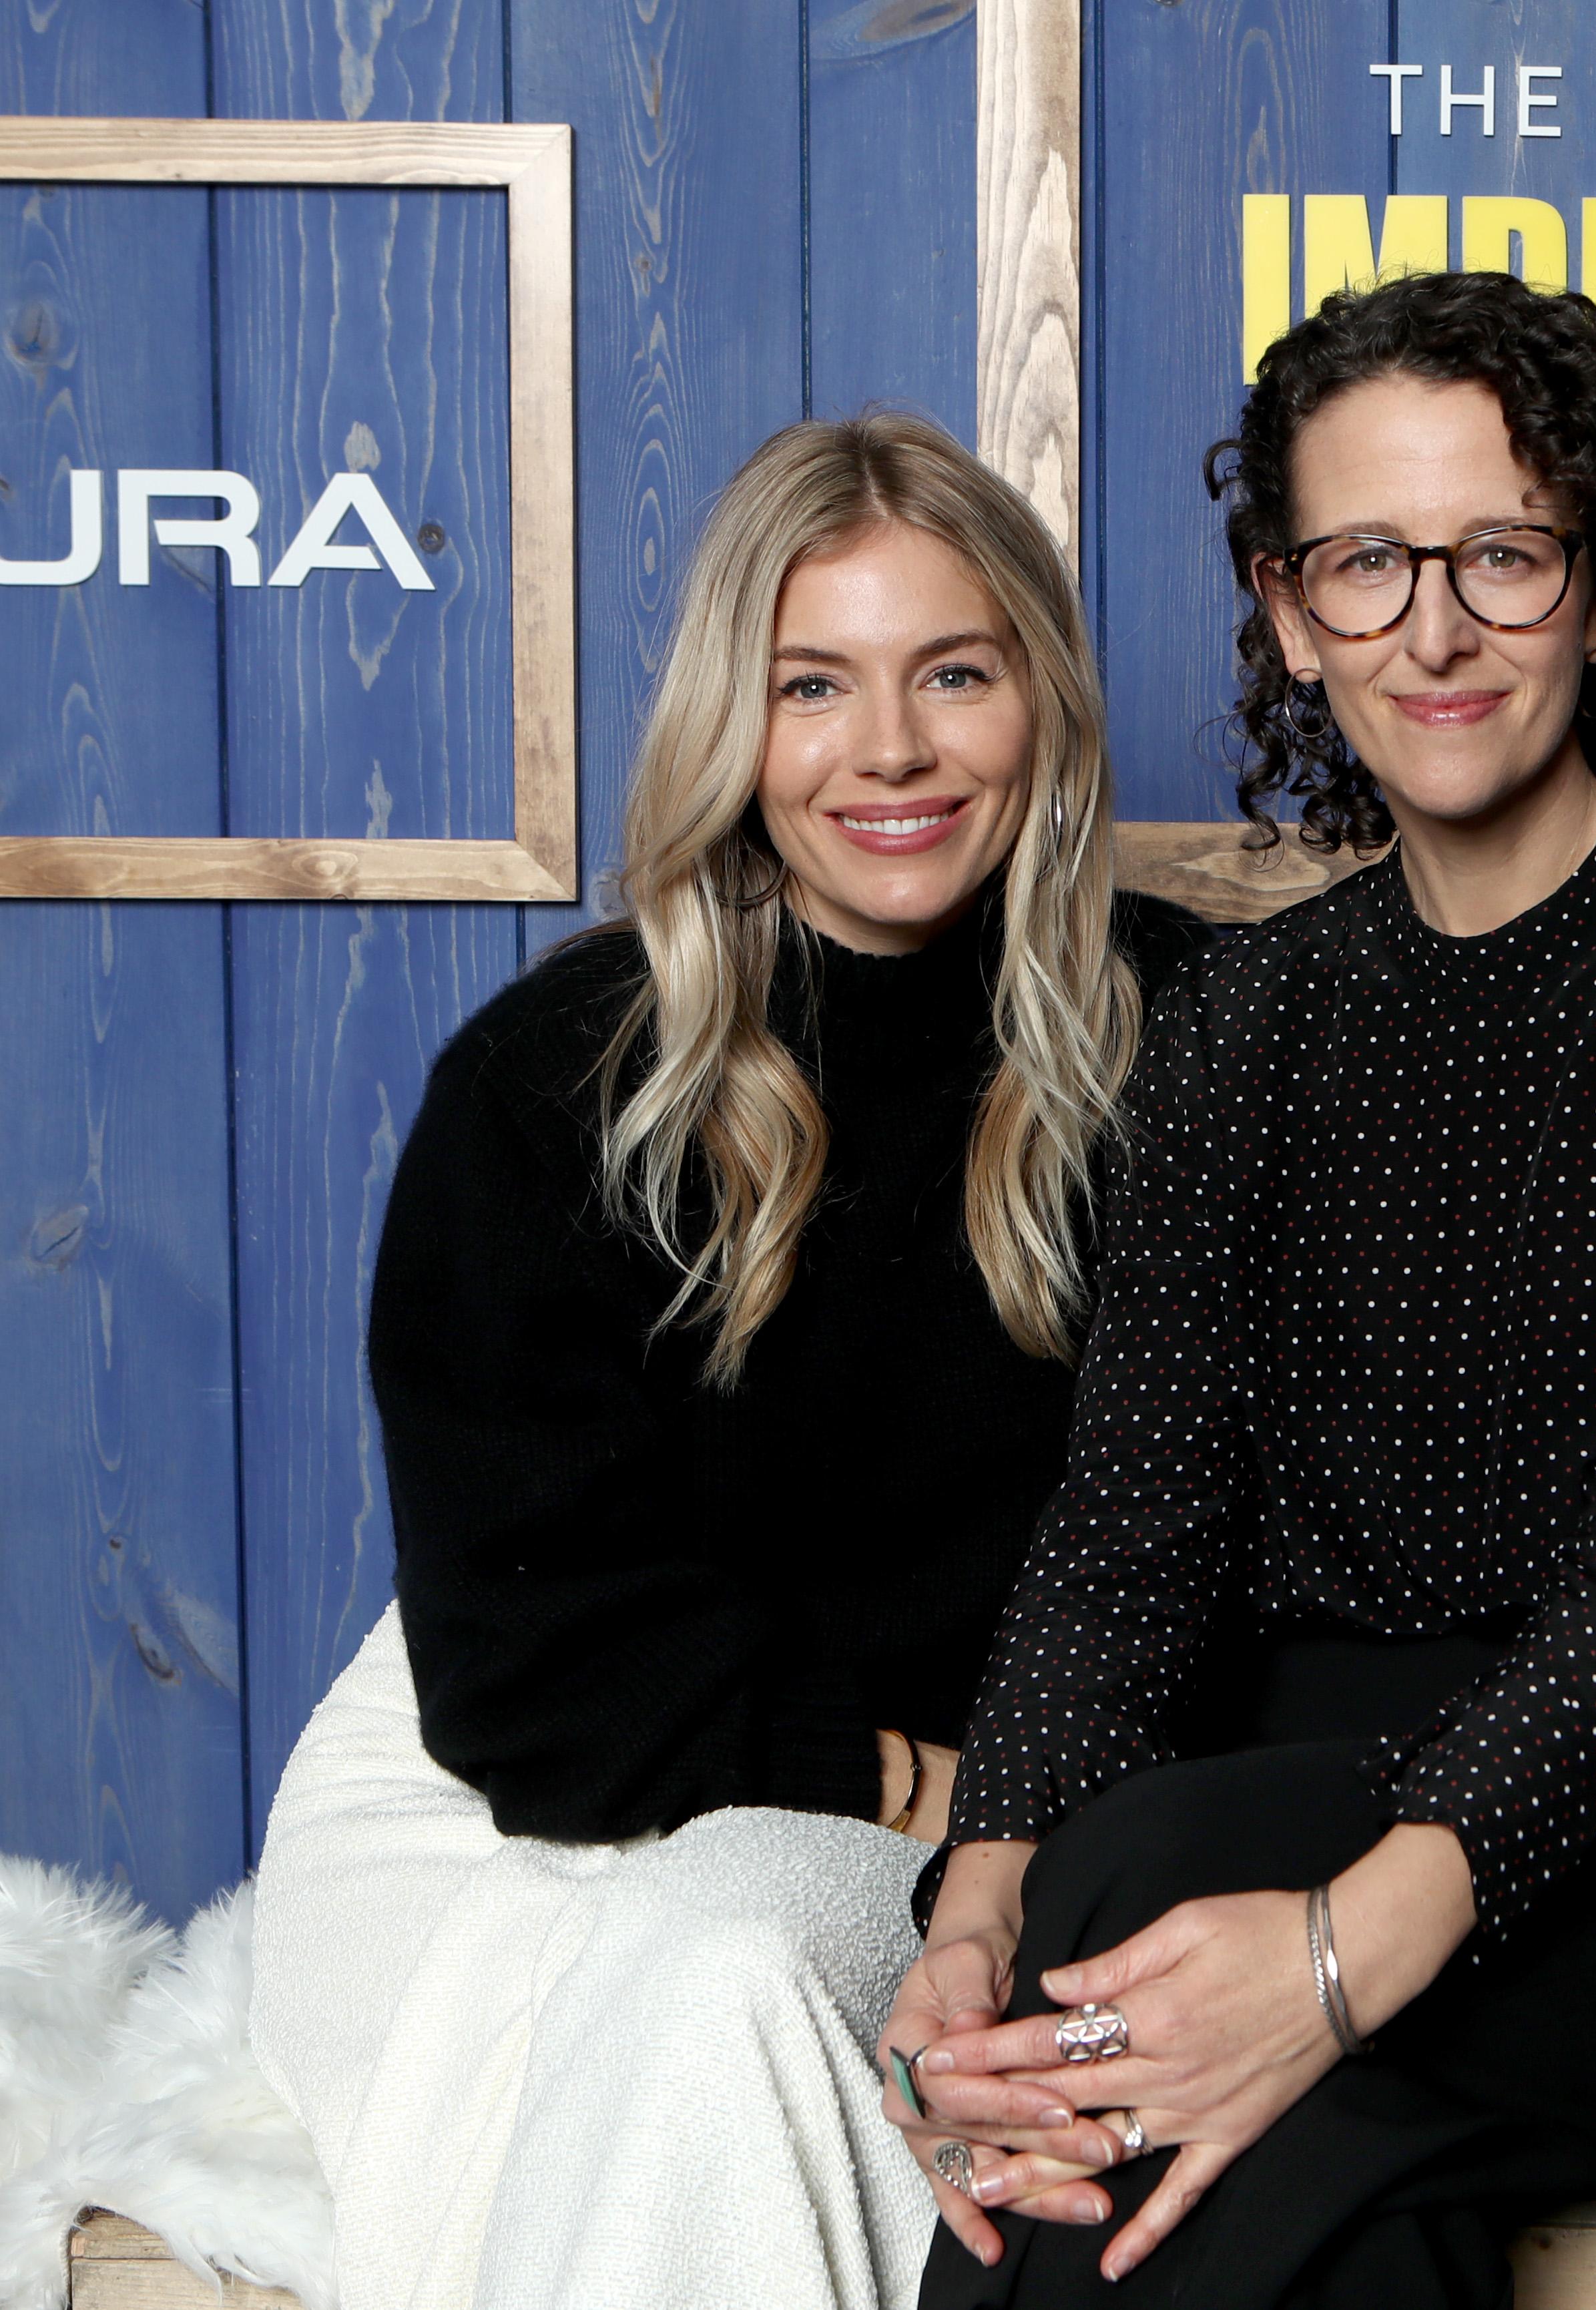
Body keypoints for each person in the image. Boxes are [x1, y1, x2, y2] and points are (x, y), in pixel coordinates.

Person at [876, 269, 1596, 2310]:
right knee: (1151, 1979)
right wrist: (974, 1914)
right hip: (1293, 1789)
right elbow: (1134, 1519)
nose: (1433, 630)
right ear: (1292, 614)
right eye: (1367, 563)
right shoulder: (1243, 1019)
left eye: (1503, 555)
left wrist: (1338, 1959)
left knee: (1167, 1944)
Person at [248, 412, 1208, 2310]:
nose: (891, 749)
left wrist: (1019, 1811)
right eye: (811, 686)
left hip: (978, 1795)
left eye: (955, 673)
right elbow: (529, 1665)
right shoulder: (557, 1080)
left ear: (1046, 699)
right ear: (730, 726)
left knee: (730, 1970)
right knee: (703, 1992)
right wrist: (930, 1791)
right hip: (519, 1779)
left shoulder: (1203, 1033)